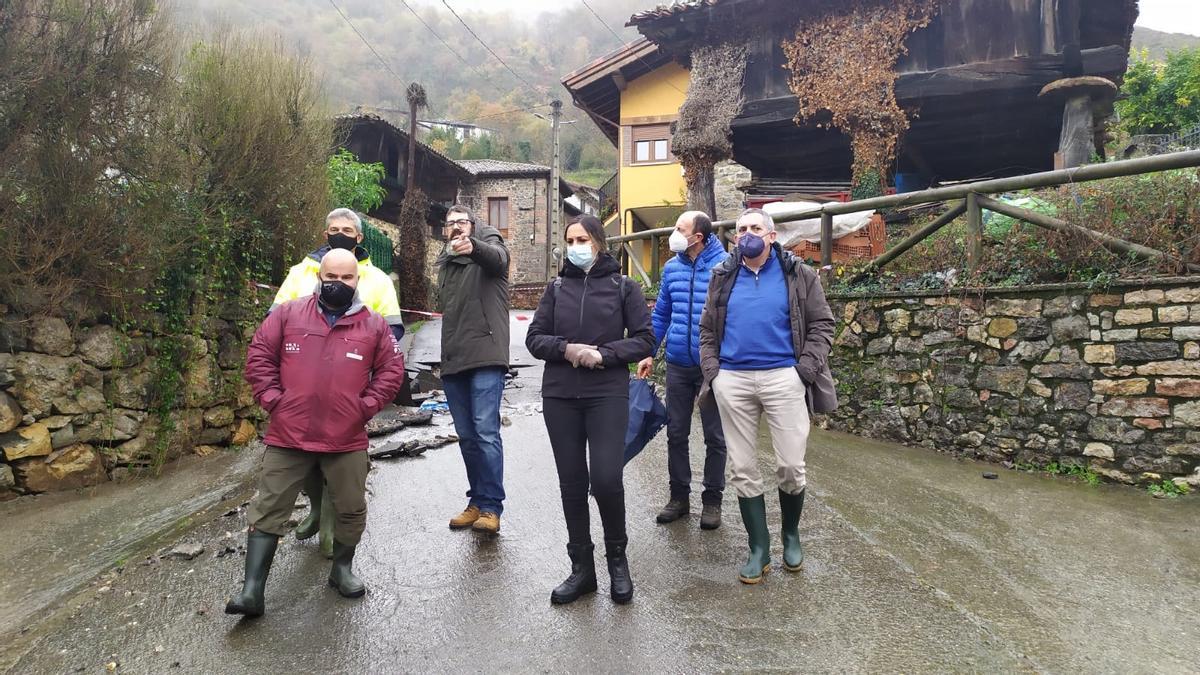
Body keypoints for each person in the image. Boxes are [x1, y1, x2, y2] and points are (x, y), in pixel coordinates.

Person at [228, 249, 406, 617]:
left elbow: (391, 371)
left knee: (351, 507)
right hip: (288, 434)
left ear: (358, 280)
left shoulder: (373, 324)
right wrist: (274, 400)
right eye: (331, 277)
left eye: (347, 278)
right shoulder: (288, 314)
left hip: (345, 438)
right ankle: (252, 591)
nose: (338, 284)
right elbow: (259, 356)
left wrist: (364, 407)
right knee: (268, 508)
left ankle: (341, 570)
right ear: (319, 277)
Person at [697, 208, 837, 585]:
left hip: (784, 378)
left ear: (772, 236)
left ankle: (791, 535)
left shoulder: (798, 275)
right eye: (741, 230)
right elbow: (707, 329)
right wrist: (715, 373)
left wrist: (803, 371)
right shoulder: (722, 276)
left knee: (791, 466)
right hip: (733, 380)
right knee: (742, 468)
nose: (747, 235)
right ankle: (758, 548)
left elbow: (823, 323)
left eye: (755, 228)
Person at [526, 215, 655, 605]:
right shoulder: (556, 288)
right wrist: (567, 349)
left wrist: (604, 354)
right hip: (561, 395)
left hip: (607, 394)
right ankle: (582, 568)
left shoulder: (624, 288)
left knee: (605, 480)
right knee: (571, 483)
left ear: (598, 242)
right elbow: (535, 338)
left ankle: (618, 559)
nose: (576, 245)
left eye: (582, 238)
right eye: (570, 239)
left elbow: (646, 339)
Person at [276, 208, 405, 556]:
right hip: (299, 390)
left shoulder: (375, 277)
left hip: (349, 386)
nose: (340, 233)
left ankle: (332, 526)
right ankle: (317, 510)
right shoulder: (301, 272)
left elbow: (392, 331)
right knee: (304, 459)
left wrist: (371, 391)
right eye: (333, 229)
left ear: (359, 237)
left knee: (339, 463)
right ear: (325, 232)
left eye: (347, 229)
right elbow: (273, 324)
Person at [637, 211, 729, 530]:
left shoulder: (725, 268)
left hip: (711, 367)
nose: (674, 233)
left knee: (715, 436)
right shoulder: (672, 267)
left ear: (698, 237)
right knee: (676, 433)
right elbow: (661, 313)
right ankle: (679, 498)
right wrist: (649, 352)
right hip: (677, 363)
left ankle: (712, 502)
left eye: (680, 229)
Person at [437, 205, 511, 534]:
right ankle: (477, 501)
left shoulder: (487, 245)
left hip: (485, 354)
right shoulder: (446, 263)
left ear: (474, 225)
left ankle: (492, 507)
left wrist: (476, 246)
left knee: (485, 432)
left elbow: (498, 257)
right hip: (454, 358)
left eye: (462, 222)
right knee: (467, 437)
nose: (456, 228)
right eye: (450, 223)